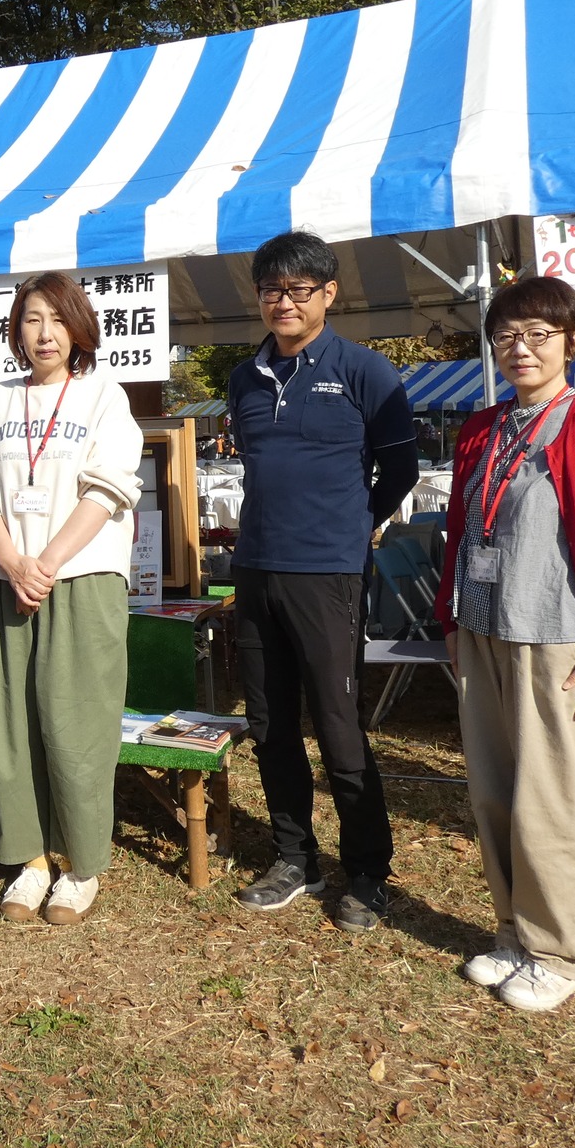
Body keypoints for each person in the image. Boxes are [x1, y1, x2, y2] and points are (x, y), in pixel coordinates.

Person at [437, 274, 575, 1013]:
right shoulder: (482, 429)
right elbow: (461, 533)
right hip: (485, 629)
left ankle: (560, 952)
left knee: (557, 802)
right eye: (506, 336)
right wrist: (449, 620)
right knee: (495, 793)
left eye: (538, 335)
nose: (519, 349)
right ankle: (513, 931)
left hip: (558, 638)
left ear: (572, 343)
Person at [225, 231, 420, 930]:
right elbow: (255, 461)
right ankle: (294, 856)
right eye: (272, 290)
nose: (284, 302)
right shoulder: (243, 378)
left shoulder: (366, 371)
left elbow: (401, 470)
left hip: (329, 573)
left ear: (328, 294)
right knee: (270, 722)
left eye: (299, 289)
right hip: (255, 567)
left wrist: (355, 525)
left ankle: (367, 870)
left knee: (338, 726)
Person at [0, 271, 144, 925]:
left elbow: (109, 489)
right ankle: (29, 859)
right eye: (32, 319)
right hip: (3, 579)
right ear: (16, 329)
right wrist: (10, 559)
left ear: (79, 327)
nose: (44, 334)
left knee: (77, 725)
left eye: (57, 319)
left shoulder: (102, 398)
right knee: (9, 726)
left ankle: (80, 864)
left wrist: (49, 562)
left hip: (81, 578)